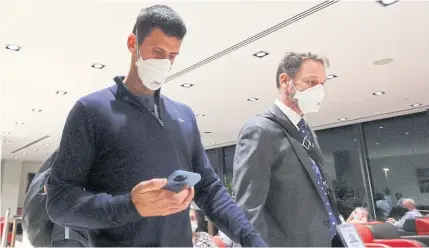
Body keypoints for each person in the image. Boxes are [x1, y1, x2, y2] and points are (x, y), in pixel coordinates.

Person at [46, 5, 265, 247]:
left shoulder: (183, 116)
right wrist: (130, 205)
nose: (165, 62)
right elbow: (59, 202)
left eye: (172, 56)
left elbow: (210, 189)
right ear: (133, 43)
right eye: (158, 51)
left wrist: (253, 240)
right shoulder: (91, 111)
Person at [233, 52, 342, 247]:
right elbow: (248, 209)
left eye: (322, 84)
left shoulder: (306, 131)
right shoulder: (260, 130)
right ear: (285, 80)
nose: (319, 91)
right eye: (311, 82)